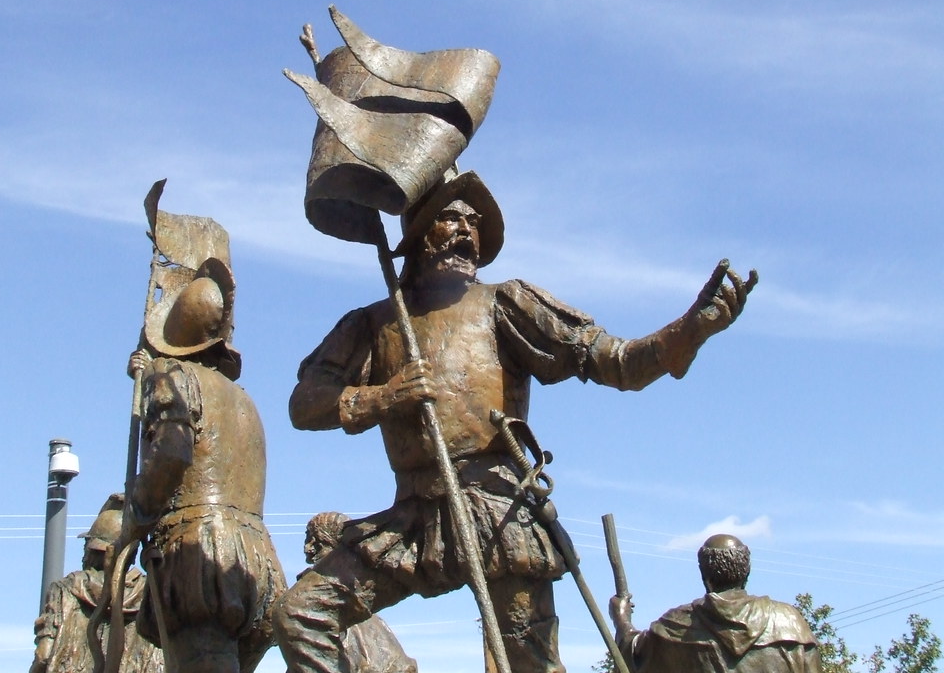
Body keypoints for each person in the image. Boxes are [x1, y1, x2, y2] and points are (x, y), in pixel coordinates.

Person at [273, 169, 757, 673]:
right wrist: (382, 397)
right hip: (413, 516)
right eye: (449, 217)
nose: (465, 231)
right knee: (302, 615)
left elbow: (617, 361)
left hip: (499, 511)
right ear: (417, 236)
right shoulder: (374, 324)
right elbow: (304, 404)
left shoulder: (506, 302)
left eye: (473, 221)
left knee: (529, 666)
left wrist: (689, 332)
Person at [123, 257, 287, 673]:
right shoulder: (243, 399)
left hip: (201, 563)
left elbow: (172, 455)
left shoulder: (174, 377)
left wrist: (137, 512)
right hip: (257, 563)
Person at [609, 534, 820, 673]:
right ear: (746, 571)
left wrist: (621, 620)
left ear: (704, 576)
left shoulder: (675, 627)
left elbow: (633, 657)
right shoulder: (791, 624)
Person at [30, 493, 163, 673]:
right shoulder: (153, 594)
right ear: (131, 556)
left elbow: (43, 656)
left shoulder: (64, 591)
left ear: (92, 551)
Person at [301, 512, 418, 673]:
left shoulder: (320, 601)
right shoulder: (365, 608)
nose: (307, 548)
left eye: (310, 539)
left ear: (318, 543)